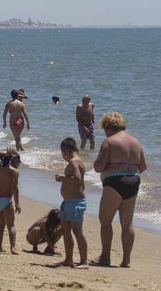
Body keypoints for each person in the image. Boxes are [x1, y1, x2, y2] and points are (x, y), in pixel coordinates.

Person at [93, 112, 147, 267]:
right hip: (133, 181)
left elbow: (98, 167)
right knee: (127, 223)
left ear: (108, 127)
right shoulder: (136, 142)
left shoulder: (109, 142)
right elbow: (143, 166)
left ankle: (105, 257)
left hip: (114, 181)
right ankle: (126, 260)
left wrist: (112, 168)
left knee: (105, 220)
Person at [56, 137, 89, 269]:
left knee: (77, 231)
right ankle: (68, 259)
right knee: (65, 230)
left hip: (75, 203)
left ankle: (84, 261)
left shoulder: (73, 162)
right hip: (68, 202)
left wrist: (62, 178)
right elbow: (82, 184)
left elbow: (77, 179)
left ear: (65, 151)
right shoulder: (78, 161)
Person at [0, 148, 21, 254]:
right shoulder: (14, 172)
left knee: (1, 224)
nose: (19, 164)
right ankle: (12, 248)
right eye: (18, 161)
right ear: (15, 161)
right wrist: (17, 203)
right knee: (11, 225)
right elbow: (15, 188)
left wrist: (6, 153)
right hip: (6, 200)